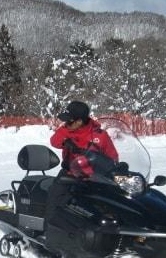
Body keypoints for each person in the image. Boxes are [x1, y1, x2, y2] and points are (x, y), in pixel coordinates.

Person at [44, 101, 119, 246]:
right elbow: (54, 140)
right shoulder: (66, 130)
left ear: (79, 121)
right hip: (70, 175)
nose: (66, 123)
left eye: (69, 120)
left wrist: (116, 167)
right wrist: (66, 142)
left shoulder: (100, 135)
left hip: (95, 178)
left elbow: (112, 157)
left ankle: (105, 239)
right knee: (54, 196)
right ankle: (50, 235)